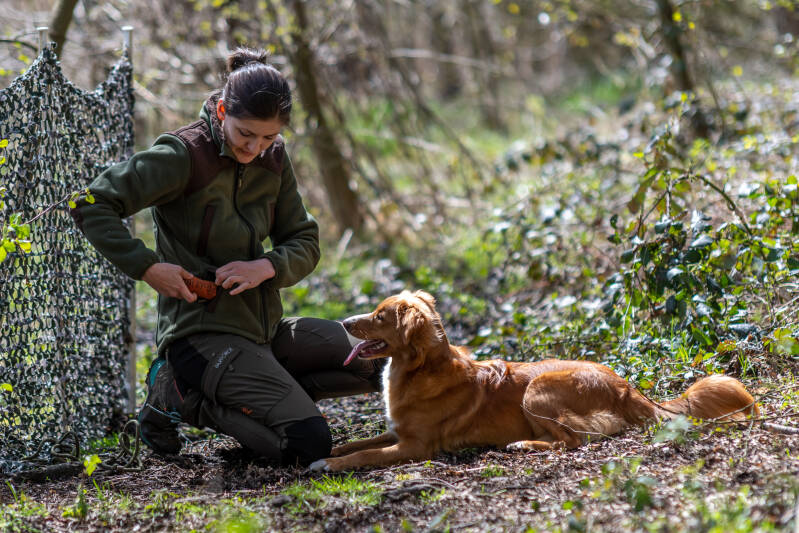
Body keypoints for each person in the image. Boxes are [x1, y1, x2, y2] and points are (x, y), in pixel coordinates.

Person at [71, 47, 383, 465]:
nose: (255, 147)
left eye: (268, 137)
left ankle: (274, 393)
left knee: (384, 359)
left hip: (265, 330)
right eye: (245, 134)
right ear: (222, 111)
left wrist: (267, 266)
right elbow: (91, 202)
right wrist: (147, 267)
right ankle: (180, 396)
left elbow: (304, 240)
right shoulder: (183, 155)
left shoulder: (273, 158)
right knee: (308, 445)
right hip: (200, 337)